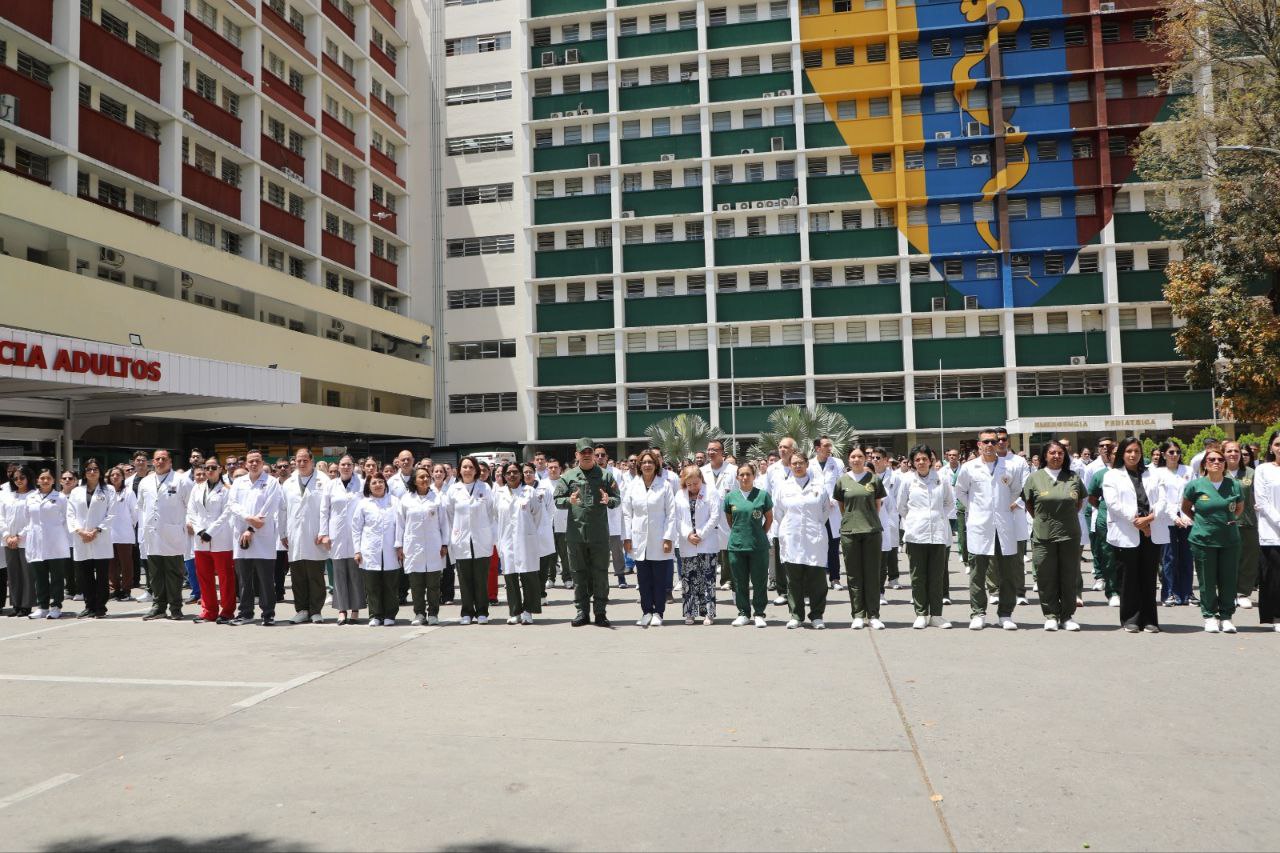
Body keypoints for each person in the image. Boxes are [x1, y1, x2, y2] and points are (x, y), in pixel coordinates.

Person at [955, 429, 1024, 631]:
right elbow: (960, 491)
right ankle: (978, 613)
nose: (990, 445)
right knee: (977, 573)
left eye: (994, 441)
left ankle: (1005, 614)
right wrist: (975, 508)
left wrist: (1006, 507)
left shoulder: (1009, 467)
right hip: (979, 525)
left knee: (1007, 574)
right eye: (986, 441)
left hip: (1004, 525)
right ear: (979, 444)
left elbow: (1017, 491)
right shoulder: (969, 468)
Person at [1103, 437, 1167, 633]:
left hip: (1151, 530)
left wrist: (1149, 520)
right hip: (1126, 531)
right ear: (1122, 453)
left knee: (1148, 576)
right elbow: (1113, 504)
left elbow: (1163, 499)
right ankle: (1131, 618)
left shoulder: (1153, 474)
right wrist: (1137, 522)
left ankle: (1149, 619)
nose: (1133, 455)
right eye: (1129, 451)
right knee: (1128, 577)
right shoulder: (1112, 476)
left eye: (1137, 451)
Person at [555, 437, 622, 628]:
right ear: (576, 455)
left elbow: (617, 499)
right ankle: (582, 612)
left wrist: (609, 500)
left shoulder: (605, 476)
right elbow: (557, 500)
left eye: (589, 452)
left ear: (594, 454)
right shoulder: (568, 477)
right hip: (576, 535)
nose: (586, 455)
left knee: (600, 573)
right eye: (582, 452)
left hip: (599, 535)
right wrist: (569, 501)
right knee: (578, 574)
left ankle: (600, 613)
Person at [1023, 440, 1085, 632]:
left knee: (1068, 576)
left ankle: (1067, 616)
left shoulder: (1073, 477)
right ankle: (1050, 615)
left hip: (1069, 534)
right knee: (1045, 575)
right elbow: (1029, 504)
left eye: (1060, 453)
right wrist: (1043, 520)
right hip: (1043, 535)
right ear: (1044, 456)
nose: (1056, 456)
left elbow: (1079, 503)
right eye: (1052, 453)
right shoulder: (1035, 478)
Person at [1182, 447, 1243, 633]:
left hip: (1229, 540)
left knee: (1228, 579)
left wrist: (1230, 520)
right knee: (1207, 580)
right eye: (1212, 460)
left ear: (1225, 464)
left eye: (1220, 460)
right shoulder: (1195, 485)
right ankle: (1209, 616)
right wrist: (1201, 521)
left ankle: (1226, 616)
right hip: (1203, 539)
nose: (1216, 462)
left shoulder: (1234, 485)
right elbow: (1186, 508)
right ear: (1205, 465)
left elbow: (1238, 508)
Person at [898, 445, 954, 630]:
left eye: (924, 459)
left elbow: (949, 503)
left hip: (937, 534)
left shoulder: (942, 479)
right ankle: (921, 613)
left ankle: (936, 615)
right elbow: (901, 507)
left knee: (936, 576)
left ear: (931, 460)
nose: (921, 462)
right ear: (913, 463)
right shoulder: (907, 480)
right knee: (918, 576)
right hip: (916, 535)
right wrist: (917, 519)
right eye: (917, 460)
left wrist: (936, 517)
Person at [774, 453, 831, 629]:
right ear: (789, 466)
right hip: (791, 538)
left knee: (817, 580)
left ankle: (817, 615)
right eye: (794, 463)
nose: (797, 466)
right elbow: (778, 513)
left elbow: (825, 512)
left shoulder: (819, 487)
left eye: (800, 463)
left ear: (807, 464)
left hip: (814, 537)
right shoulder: (784, 487)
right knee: (794, 579)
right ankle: (796, 615)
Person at [228, 450, 285, 626]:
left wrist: (252, 528)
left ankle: (268, 613)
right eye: (250, 461)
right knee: (244, 579)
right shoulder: (239, 482)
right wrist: (247, 518)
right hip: (241, 535)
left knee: (265, 579)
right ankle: (245, 613)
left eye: (257, 461)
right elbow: (232, 504)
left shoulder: (271, 482)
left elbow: (270, 507)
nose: (254, 464)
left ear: (262, 463)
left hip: (263, 536)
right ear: (245, 464)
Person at [622, 449, 678, 628]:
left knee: (659, 578)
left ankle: (658, 612)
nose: (647, 465)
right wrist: (627, 537)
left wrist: (668, 537)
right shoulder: (632, 486)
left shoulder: (665, 485)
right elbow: (626, 514)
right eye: (644, 462)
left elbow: (671, 514)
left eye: (650, 462)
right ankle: (646, 611)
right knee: (643, 579)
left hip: (660, 538)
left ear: (656, 465)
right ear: (639, 465)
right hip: (638, 538)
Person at [136, 450, 193, 621]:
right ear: (153, 462)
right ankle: (158, 606)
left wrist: (189, 523)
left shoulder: (181, 480)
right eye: (157, 459)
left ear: (170, 461)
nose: (160, 461)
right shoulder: (145, 482)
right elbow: (141, 506)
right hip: (152, 534)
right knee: (155, 574)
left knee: (174, 573)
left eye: (164, 459)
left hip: (173, 533)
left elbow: (191, 504)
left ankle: (175, 607)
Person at [833, 447, 886, 630]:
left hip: (871, 530)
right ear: (848, 460)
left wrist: (867, 519)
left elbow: (877, 504)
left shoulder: (874, 479)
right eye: (853, 456)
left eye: (860, 456)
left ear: (865, 459)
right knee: (854, 575)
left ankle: (873, 614)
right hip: (850, 532)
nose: (856, 459)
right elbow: (842, 505)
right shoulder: (842, 481)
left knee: (872, 574)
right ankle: (857, 614)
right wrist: (852, 520)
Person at [444, 456, 497, 625]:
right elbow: (449, 515)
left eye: (470, 467)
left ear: (476, 470)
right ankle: (466, 612)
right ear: (459, 470)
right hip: (461, 539)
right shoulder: (453, 490)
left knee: (480, 578)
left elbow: (492, 513)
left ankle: (482, 611)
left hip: (482, 539)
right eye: (464, 467)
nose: (467, 470)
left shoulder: (485, 488)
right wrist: (452, 536)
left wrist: (492, 537)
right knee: (465, 579)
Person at [396, 467, 449, 626]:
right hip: (412, 546)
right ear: (414, 480)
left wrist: (445, 543)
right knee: (416, 584)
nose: (425, 479)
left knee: (433, 584)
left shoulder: (437, 498)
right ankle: (419, 613)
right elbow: (400, 525)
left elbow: (444, 523)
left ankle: (433, 613)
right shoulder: (406, 499)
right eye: (421, 477)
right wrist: (399, 546)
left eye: (427, 476)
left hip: (434, 545)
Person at [282, 448, 330, 624]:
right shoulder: (288, 483)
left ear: (312, 460)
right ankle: (301, 609)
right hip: (294, 534)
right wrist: (282, 533)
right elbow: (283, 510)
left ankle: (316, 610)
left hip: (315, 534)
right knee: (298, 575)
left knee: (315, 574)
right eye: (298, 461)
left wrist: (324, 532)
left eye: (305, 460)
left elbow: (327, 509)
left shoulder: (323, 481)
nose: (301, 464)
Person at [186, 458, 235, 624]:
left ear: (220, 469)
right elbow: (191, 511)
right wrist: (200, 531)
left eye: (214, 467)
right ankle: (209, 611)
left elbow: (227, 513)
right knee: (204, 577)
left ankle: (227, 611)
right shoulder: (197, 488)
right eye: (207, 468)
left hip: (220, 538)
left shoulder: (227, 490)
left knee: (225, 577)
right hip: (201, 539)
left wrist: (211, 532)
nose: (210, 470)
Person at [65, 459, 116, 619]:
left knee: (101, 575)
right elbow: (70, 514)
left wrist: (96, 531)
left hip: (100, 536)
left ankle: (100, 607)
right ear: (84, 472)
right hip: (81, 538)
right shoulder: (76, 491)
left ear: (100, 472)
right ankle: (89, 605)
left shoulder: (109, 490)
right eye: (88, 469)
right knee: (84, 575)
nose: (92, 472)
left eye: (95, 469)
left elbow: (112, 513)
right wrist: (80, 532)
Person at [723, 463, 772, 628]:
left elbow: (769, 519)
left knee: (759, 581)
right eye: (741, 475)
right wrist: (740, 534)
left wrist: (758, 533)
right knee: (739, 581)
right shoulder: (730, 497)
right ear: (737, 477)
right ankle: (743, 612)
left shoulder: (762, 495)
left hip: (758, 545)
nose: (744, 478)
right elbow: (731, 521)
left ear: (754, 476)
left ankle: (759, 613)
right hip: (737, 546)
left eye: (748, 474)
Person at [494, 463, 543, 625]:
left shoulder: (529, 492)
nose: (512, 475)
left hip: (525, 539)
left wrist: (527, 531)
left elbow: (537, 515)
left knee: (528, 576)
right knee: (510, 577)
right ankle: (515, 612)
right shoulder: (499, 493)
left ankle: (528, 611)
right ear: (504, 476)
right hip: (506, 540)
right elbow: (495, 516)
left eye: (515, 472)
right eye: (509, 473)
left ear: (521, 475)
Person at [320, 455, 365, 625]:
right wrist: (324, 534)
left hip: (356, 534)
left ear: (353, 466)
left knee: (355, 573)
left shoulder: (361, 483)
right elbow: (324, 511)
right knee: (338, 573)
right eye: (343, 464)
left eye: (349, 464)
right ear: (338, 467)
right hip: (336, 534)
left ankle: (355, 609)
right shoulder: (331, 485)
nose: (346, 467)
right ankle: (341, 610)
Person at [352, 472, 400, 626]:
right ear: (368, 487)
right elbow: (356, 528)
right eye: (374, 483)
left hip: (391, 550)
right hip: (370, 551)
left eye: (381, 482)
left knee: (390, 586)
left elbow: (400, 526)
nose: (378, 485)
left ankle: (390, 615)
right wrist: (357, 550)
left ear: (385, 484)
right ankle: (375, 615)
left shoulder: (395, 502)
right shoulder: (363, 504)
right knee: (372, 586)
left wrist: (400, 546)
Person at [675, 464, 721, 625]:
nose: (693, 487)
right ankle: (690, 612)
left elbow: (715, 516)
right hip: (687, 542)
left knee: (708, 578)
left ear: (701, 479)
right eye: (689, 484)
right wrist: (688, 534)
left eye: (696, 483)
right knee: (689, 579)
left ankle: (709, 613)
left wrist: (700, 534)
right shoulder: (680, 495)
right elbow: (677, 519)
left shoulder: (711, 492)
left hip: (707, 541)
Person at [25, 469, 71, 619]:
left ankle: (56, 605)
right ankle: (42, 606)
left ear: (53, 481)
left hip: (55, 542)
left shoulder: (61, 497)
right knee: (40, 576)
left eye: (48, 478)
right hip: (36, 542)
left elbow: (66, 519)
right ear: (38, 480)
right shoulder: (30, 497)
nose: (45, 481)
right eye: (42, 478)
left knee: (57, 576)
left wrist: (62, 537)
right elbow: (28, 520)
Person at [1154, 441, 1194, 606]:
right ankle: (1169, 592)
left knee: (1187, 556)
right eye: (1171, 452)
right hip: (1166, 518)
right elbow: (1160, 498)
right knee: (1169, 557)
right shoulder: (1158, 473)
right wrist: (1174, 516)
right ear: (1163, 454)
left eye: (1177, 452)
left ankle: (1187, 593)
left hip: (1186, 518)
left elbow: (1192, 493)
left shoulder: (1188, 470)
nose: (1175, 455)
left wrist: (1186, 514)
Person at [1224, 441, 1260, 610]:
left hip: (1248, 522)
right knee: (1227, 560)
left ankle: (1243, 593)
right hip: (1224, 524)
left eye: (1236, 451)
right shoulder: (1218, 472)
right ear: (1223, 453)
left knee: (1248, 559)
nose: (1233, 454)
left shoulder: (1252, 473)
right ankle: (1228, 593)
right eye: (1229, 451)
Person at [764, 437, 798, 604]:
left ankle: (801, 591)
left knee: (798, 556)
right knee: (780, 557)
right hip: (779, 520)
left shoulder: (801, 467)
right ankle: (783, 592)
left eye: (786, 447)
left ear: (793, 450)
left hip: (798, 520)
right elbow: (768, 495)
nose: (782, 450)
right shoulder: (772, 470)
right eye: (780, 447)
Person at [810, 436, 846, 590]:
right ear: (818, 448)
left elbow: (842, 483)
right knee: (817, 544)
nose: (829, 448)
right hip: (816, 509)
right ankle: (818, 579)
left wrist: (835, 499)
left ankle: (835, 578)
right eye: (826, 445)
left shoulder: (837, 463)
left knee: (833, 545)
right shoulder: (810, 464)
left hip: (833, 509)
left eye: (830, 445)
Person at [701, 439, 736, 590]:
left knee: (727, 547)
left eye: (714, 450)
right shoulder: (702, 471)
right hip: (707, 514)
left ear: (722, 452)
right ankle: (708, 579)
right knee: (708, 547)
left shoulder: (733, 470)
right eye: (709, 450)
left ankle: (728, 579)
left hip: (727, 514)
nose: (711, 453)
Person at [1085, 439, 1117, 601]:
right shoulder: (1098, 473)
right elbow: (1090, 496)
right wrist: (1103, 507)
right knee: (1106, 553)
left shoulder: (1133, 472)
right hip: (1104, 518)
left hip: (1129, 522)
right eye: (1113, 453)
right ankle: (1111, 588)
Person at [1254, 428, 1280, 630]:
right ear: (1271, 447)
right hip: (1271, 531)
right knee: (1274, 577)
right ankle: (1276, 616)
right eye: (1278, 444)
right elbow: (1261, 501)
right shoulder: (1263, 470)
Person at [3, 466, 35, 617]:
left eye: (22, 477)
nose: (18, 481)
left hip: (25, 540)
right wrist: (7, 536)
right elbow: (1, 517)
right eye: (15, 478)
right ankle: (16, 604)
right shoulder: (9, 496)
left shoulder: (34, 495)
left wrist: (19, 536)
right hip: (8, 540)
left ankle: (26, 605)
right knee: (13, 573)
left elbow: (32, 520)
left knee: (26, 573)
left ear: (28, 478)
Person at [871, 447, 902, 599]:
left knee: (891, 550)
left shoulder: (895, 477)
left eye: (878, 458)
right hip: (873, 519)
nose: (875, 460)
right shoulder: (869, 475)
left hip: (890, 516)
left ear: (885, 460)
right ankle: (877, 588)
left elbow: (898, 498)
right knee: (878, 555)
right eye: (873, 458)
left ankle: (893, 577)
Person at [542, 458, 570, 590]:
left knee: (565, 553)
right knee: (550, 554)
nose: (553, 470)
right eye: (550, 467)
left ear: (560, 469)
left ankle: (567, 578)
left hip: (563, 522)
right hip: (547, 523)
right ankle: (550, 578)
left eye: (555, 467)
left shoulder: (566, 482)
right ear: (547, 469)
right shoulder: (542, 484)